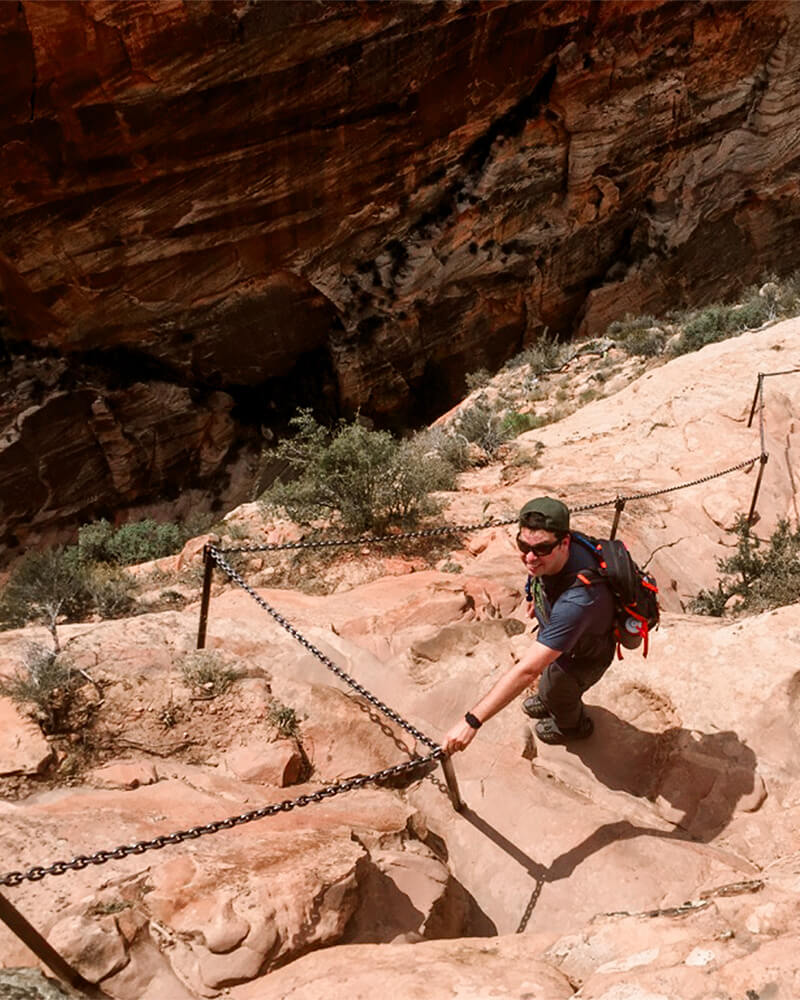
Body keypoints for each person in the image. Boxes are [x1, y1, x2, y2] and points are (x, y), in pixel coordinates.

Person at [443, 496, 616, 755]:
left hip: (586, 654)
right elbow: (536, 570)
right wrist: (533, 596)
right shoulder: (557, 548)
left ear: (564, 543)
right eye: (523, 545)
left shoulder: (578, 601)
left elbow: (528, 671)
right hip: (569, 635)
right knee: (550, 681)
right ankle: (550, 700)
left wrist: (471, 722)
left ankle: (572, 726)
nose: (530, 557)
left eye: (542, 549)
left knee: (557, 688)